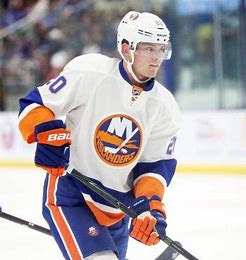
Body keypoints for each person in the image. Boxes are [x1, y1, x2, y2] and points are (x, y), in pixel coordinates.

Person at [18, 11, 181, 260]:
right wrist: (45, 133)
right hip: (70, 195)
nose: (157, 57)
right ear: (127, 49)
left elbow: (153, 167)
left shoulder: (165, 105)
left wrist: (151, 207)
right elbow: (34, 104)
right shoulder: (90, 72)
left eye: (161, 49)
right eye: (149, 48)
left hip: (117, 211)